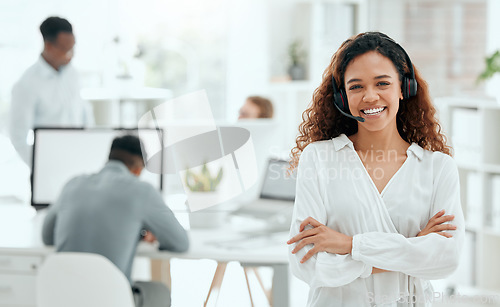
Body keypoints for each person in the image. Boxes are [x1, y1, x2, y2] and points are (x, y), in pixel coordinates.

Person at [286, 32, 464, 306]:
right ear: (342, 97)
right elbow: (306, 264)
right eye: (356, 87)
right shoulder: (319, 159)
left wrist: (349, 245)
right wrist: (413, 249)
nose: (370, 96)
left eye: (382, 83)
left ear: (405, 88)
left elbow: (446, 259)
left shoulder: (437, 168)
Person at [42, 134, 189, 307]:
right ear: (138, 169)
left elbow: (47, 237)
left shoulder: (72, 184)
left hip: (62, 298)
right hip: (110, 300)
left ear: (110, 157)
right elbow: (180, 243)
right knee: (160, 291)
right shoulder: (142, 191)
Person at [9, 16, 94, 164]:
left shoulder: (72, 74)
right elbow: (18, 136)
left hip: (79, 158)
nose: (71, 55)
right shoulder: (27, 84)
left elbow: (84, 113)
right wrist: (40, 166)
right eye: (66, 50)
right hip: (49, 164)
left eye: (73, 48)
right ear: (48, 46)